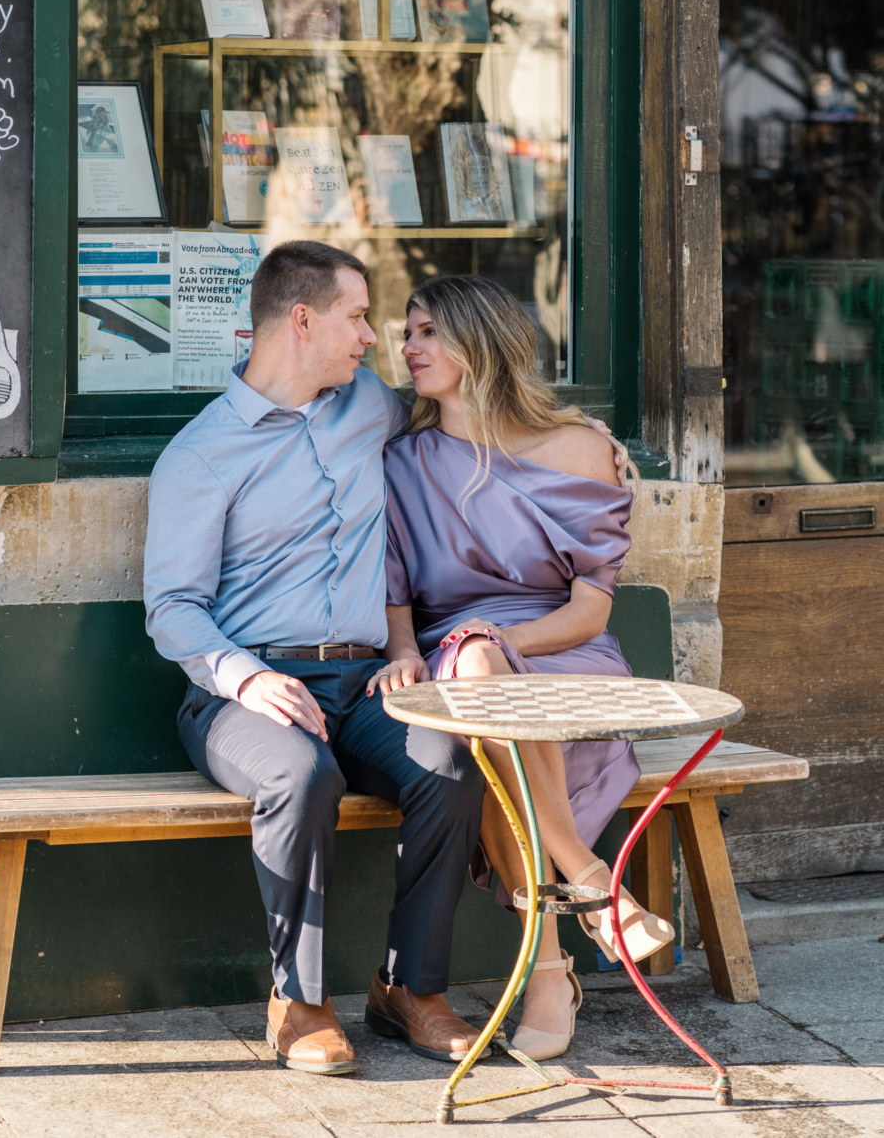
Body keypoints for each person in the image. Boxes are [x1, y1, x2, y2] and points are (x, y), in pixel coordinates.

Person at [144, 240, 493, 1077]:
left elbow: (472, 404)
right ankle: (296, 1003)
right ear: (301, 320)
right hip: (243, 691)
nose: (372, 336)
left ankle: (409, 989)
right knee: (302, 778)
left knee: (448, 761)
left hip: (363, 677)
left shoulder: (366, 405)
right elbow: (172, 610)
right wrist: (249, 678)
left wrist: (579, 440)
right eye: (356, 315)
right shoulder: (199, 455)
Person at [376, 274, 674, 1064]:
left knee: (481, 684)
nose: (408, 347)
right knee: (471, 677)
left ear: (482, 341)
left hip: (563, 651)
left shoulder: (577, 447)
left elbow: (590, 612)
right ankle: (578, 889)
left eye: (428, 331)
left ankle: (552, 948)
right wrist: (406, 650)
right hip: (452, 658)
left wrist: (505, 645)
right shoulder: (403, 459)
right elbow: (396, 591)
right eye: (406, 332)